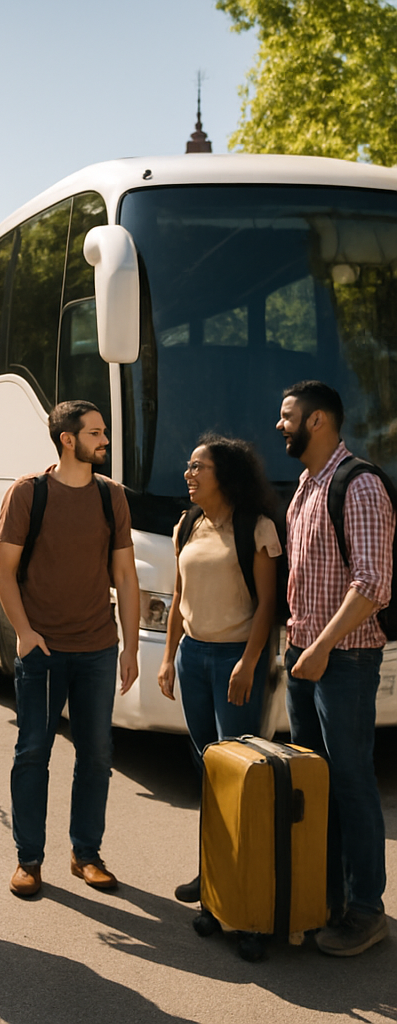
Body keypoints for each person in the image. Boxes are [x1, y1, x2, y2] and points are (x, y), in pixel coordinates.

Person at [0, 400, 139, 898]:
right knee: (33, 752)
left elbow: (125, 575)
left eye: (104, 432)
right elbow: (3, 570)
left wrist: (130, 646)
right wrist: (24, 632)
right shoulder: (28, 493)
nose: (105, 440)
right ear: (68, 439)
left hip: (98, 647)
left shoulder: (111, 496)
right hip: (43, 651)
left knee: (97, 755)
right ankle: (28, 860)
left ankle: (86, 854)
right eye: (96, 433)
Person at [277, 380, 392, 956]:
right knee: (316, 782)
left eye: (288, 415)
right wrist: (296, 644)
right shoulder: (306, 485)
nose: (280, 425)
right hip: (305, 654)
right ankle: (327, 899)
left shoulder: (359, 484)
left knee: (350, 781)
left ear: (318, 420)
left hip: (343, 659)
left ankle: (366, 910)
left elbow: (373, 585)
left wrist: (320, 647)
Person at [157, 433, 282, 903]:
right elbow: (178, 598)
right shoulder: (187, 524)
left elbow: (268, 604)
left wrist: (249, 663)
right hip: (192, 657)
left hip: (236, 660)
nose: (188, 474)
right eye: (189, 466)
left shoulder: (257, 527)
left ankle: (244, 884)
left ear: (224, 475)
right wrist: (168, 658)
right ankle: (211, 871)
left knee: (240, 771)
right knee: (207, 767)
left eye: (198, 467)